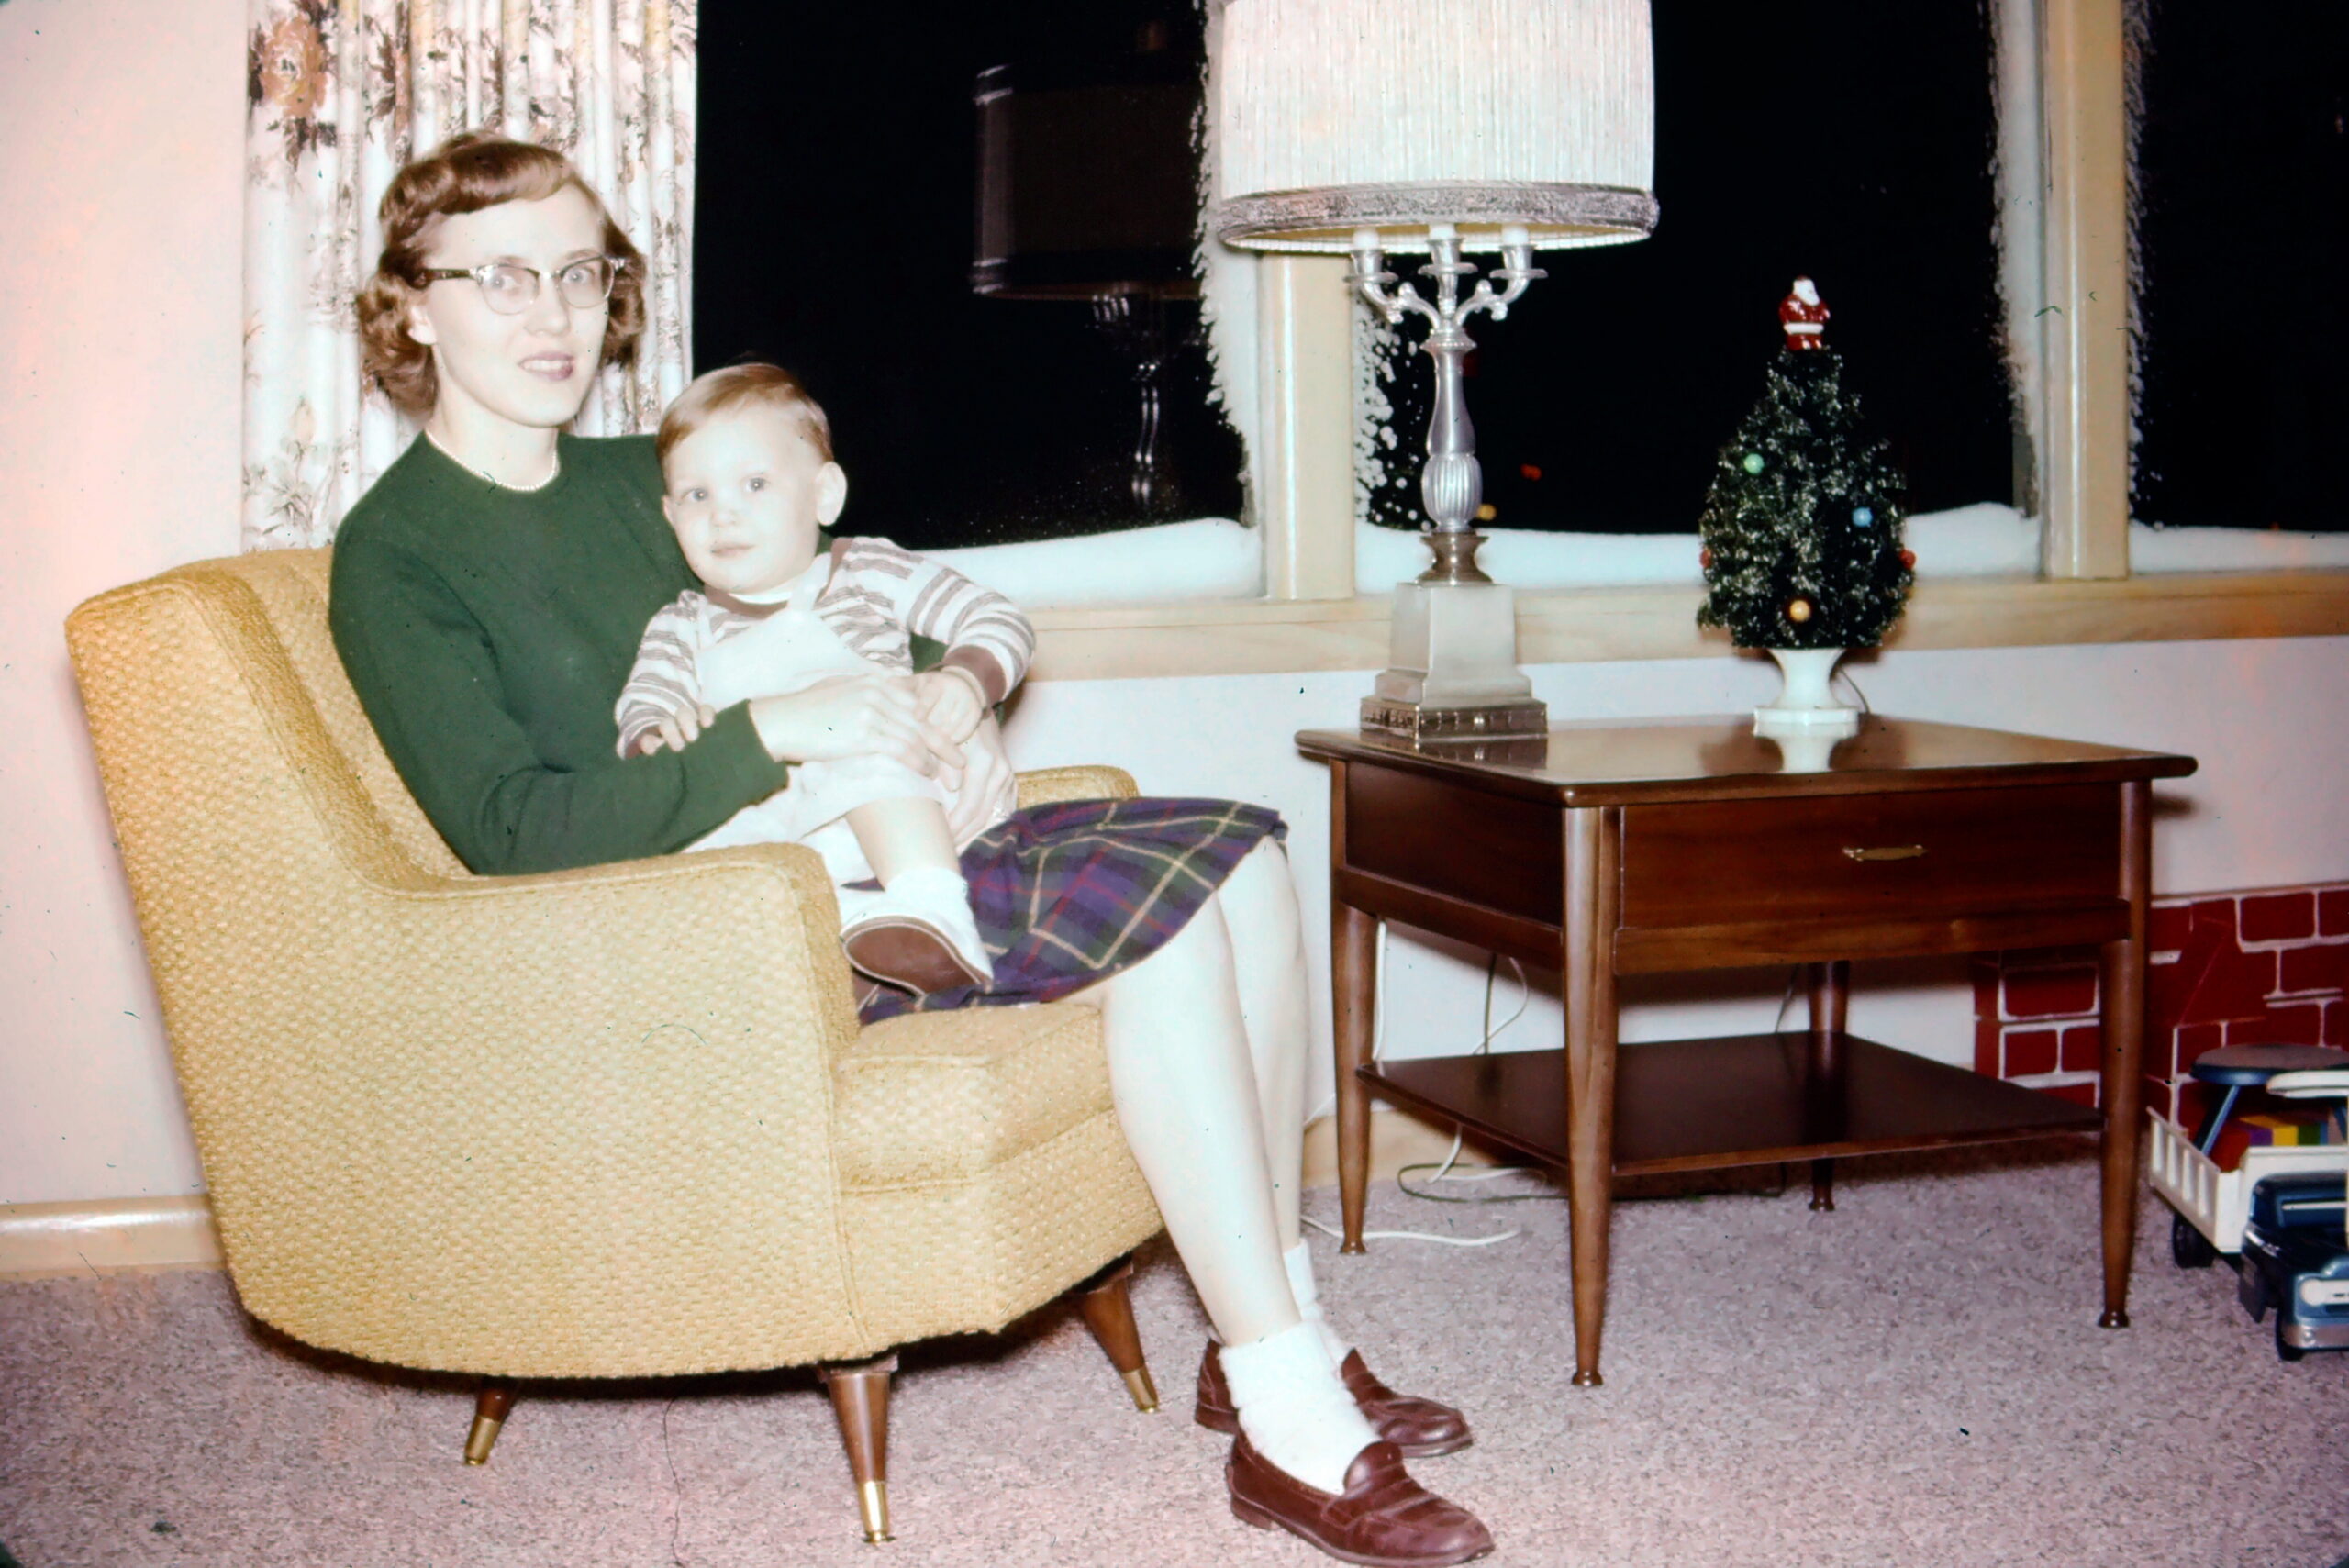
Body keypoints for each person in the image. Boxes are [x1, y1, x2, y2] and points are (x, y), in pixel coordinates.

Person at [327, 131, 1492, 1568]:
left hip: (863, 842)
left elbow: (858, 595)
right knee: (1167, 935)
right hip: (697, 930)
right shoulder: (398, 553)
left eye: (580, 271)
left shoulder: (655, 473)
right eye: (504, 277)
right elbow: (509, 835)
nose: (556, 313)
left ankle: (1282, 1325)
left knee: (1245, 861)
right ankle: (1285, 1410)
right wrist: (782, 729)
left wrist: (950, 702)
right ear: (412, 304)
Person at [617, 361, 1023, 995]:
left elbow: (994, 616)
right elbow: (645, 707)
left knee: (865, 732)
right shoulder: (681, 626)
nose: (723, 515)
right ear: (672, 517)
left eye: (755, 484)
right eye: (697, 496)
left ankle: (934, 908)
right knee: (692, 833)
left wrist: (966, 682)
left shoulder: (864, 570)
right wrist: (659, 731)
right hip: (785, 831)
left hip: (901, 812)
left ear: (824, 494)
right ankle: (851, 917)